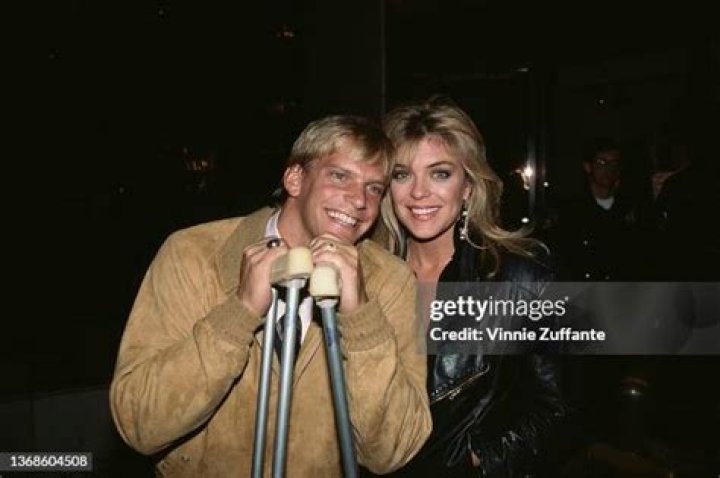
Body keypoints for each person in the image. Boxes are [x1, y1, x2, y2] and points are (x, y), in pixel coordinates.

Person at [110, 115, 432, 477]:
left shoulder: (389, 280)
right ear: (294, 179)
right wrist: (240, 312)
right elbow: (139, 424)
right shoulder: (193, 254)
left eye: (374, 188)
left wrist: (359, 314)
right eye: (340, 176)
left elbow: (393, 450)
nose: (359, 200)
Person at [374, 96, 566, 477]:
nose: (418, 192)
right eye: (401, 174)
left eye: (440, 173)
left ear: (468, 186)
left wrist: (475, 460)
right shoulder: (367, 277)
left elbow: (558, 408)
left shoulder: (521, 277)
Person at [548, 137, 648, 281]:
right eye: (602, 162)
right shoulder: (571, 211)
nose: (609, 169)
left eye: (614, 163)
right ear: (588, 166)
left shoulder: (631, 209)